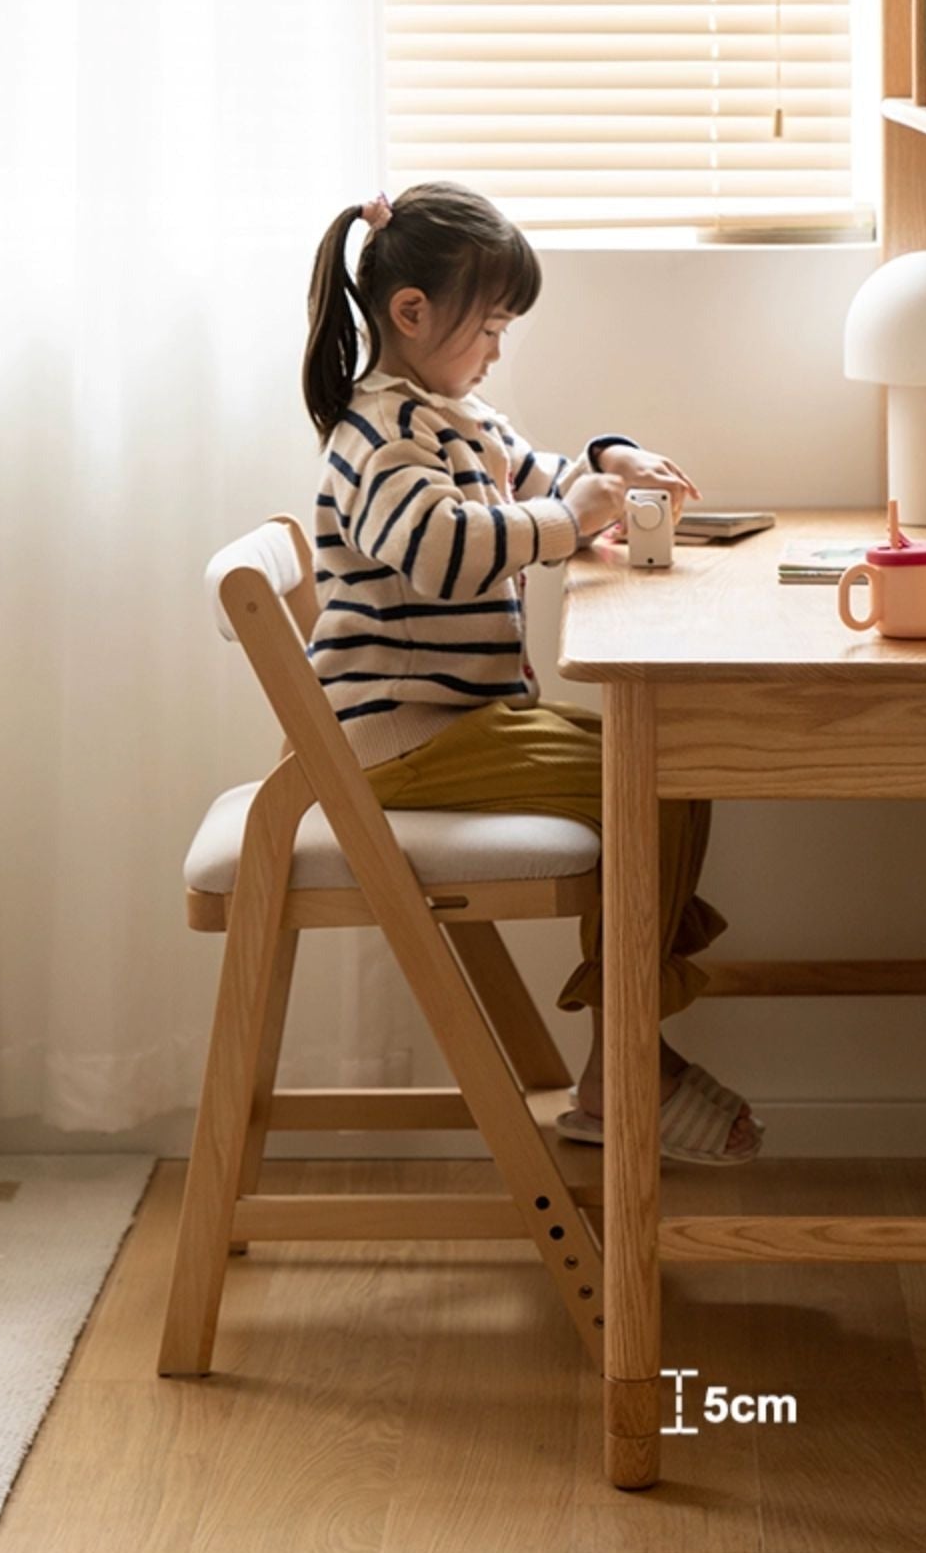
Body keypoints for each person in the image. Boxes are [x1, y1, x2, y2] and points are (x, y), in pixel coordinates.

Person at [300, 180, 763, 1164]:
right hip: (400, 748)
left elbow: (535, 475)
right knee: (653, 778)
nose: (497, 348)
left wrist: (610, 460)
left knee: (668, 758)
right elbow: (444, 550)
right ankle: (628, 1061)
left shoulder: (450, 416)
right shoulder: (376, 440)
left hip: (462, 730)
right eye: (491, 326)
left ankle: (624, 1051)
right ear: (411, 313)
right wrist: (576, 518)